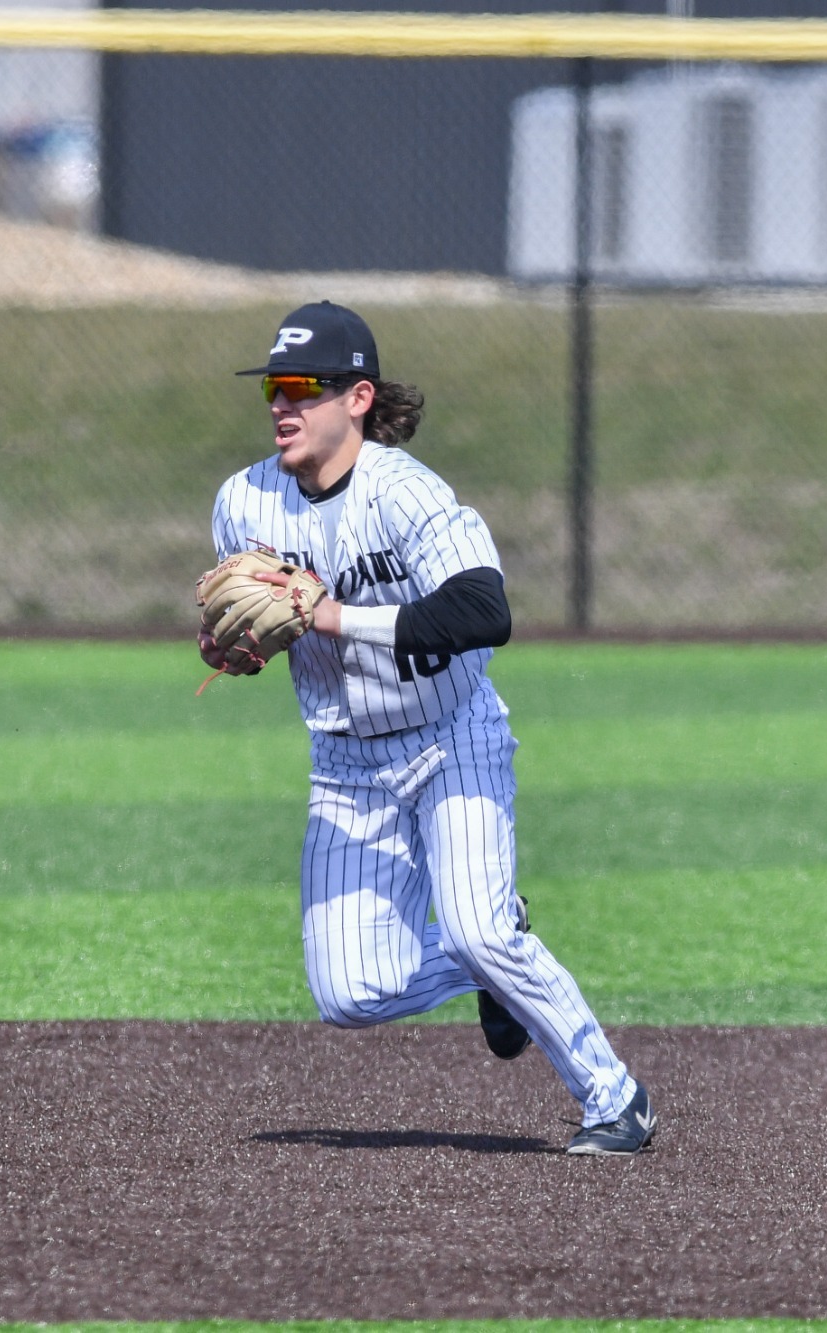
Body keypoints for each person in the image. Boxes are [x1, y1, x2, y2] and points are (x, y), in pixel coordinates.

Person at [201, 301, 655, 1155]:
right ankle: (493, 959)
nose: (280, 403)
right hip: (344, 762)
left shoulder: (407, 493)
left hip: (452, 740)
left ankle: (614, 1097)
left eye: (303, 385)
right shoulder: (243, 501)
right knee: (348, 994)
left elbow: (486, 611)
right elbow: (263, 628)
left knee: (481, 929)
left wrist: (336, 618)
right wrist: (238, 649)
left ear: (359, 397)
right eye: (273, 386)